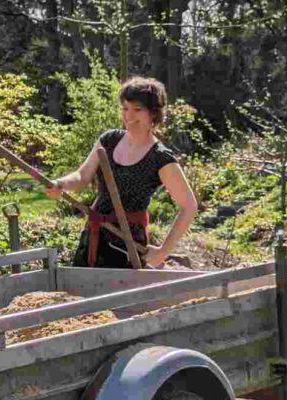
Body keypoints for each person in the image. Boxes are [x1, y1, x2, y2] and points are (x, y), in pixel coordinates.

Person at [45, 77, 197, 268]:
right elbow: (82, 176)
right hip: (93, 235)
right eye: (125, 109)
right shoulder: (109, 140)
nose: (129, 116)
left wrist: (163, 251)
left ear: (154, 114)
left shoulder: (160, 158)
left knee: (118, 297)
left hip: (127, 244)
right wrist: (61, 184)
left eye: (137, 109)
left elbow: (189, 206)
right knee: (83, 292)